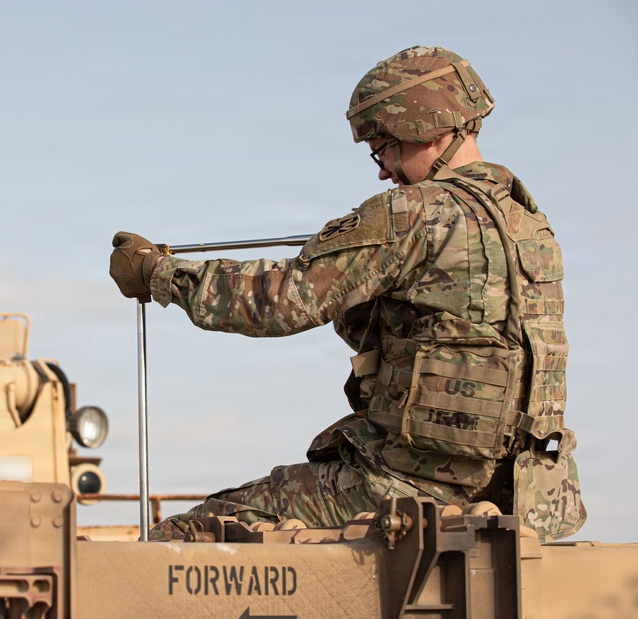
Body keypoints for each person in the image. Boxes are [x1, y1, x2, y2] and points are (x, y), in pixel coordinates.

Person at [110, 45, 584, 543]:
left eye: (382, 149)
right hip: (523, 499)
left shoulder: (411, 213)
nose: (382, 170)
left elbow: (278, 301)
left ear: (418, 128)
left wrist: (158, 273)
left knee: (192, 534)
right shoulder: (528, 223)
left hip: (408, 488)